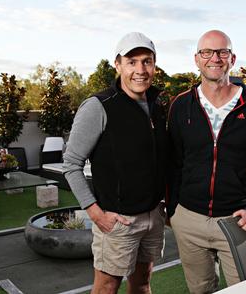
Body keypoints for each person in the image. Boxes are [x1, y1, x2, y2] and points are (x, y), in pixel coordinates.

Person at [167, 29, 246, 293]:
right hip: (189, 219)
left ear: (232, 58)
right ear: (197, 59)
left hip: (235, 220)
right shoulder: (181, 105)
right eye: (207, 52)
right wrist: (173, 209)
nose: (214, 58)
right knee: (200, 290)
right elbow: (172, 162)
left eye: (222, 52)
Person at [60, 32, 168, 294]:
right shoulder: (98, 106)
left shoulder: (158, 104)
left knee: (142, 284)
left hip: (153, 216)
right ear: (118, 65)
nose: (140, 70)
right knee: (107, 287)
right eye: (132, 62)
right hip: (118, 221)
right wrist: (95, 213)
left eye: (147, 61)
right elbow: (71, 164)